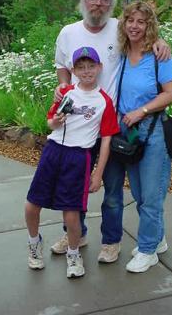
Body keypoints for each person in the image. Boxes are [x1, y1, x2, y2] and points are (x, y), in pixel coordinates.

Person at [51, 0, 171, 263]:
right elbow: (61, 66)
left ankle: (111, 241)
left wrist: (161, 41)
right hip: (77, 126)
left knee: (113, 190)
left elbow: (143, 30)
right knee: (73, 186)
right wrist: (63, 86)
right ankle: (75, 235)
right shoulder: (68, 32)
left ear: (111, 4)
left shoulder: (119, 27)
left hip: (112, 126)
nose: (99, 3)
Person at [25, 46, 119, 278]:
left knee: (71, 213)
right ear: (73, 69)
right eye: (81, 67)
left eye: (91, 66)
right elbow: (50, 122)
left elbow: (106, 140)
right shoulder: (65, 92)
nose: (86, 71)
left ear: (100, 67)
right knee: (32, 205)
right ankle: (34, 245)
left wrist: (98, 173)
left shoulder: (104, 101)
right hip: (53, 151)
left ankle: (74, 255)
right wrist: (55, 121)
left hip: (79, 156)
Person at [116, 0, 172, 273]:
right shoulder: (119, 53)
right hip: (127, 132)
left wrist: (142, 111)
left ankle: (147, 250)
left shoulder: (159, 56)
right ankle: (157, 238)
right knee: (140, 193)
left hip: (152, 130)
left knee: (152, 195)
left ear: (149, 25)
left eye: (141, 21)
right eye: (131, 20)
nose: (135, 26)